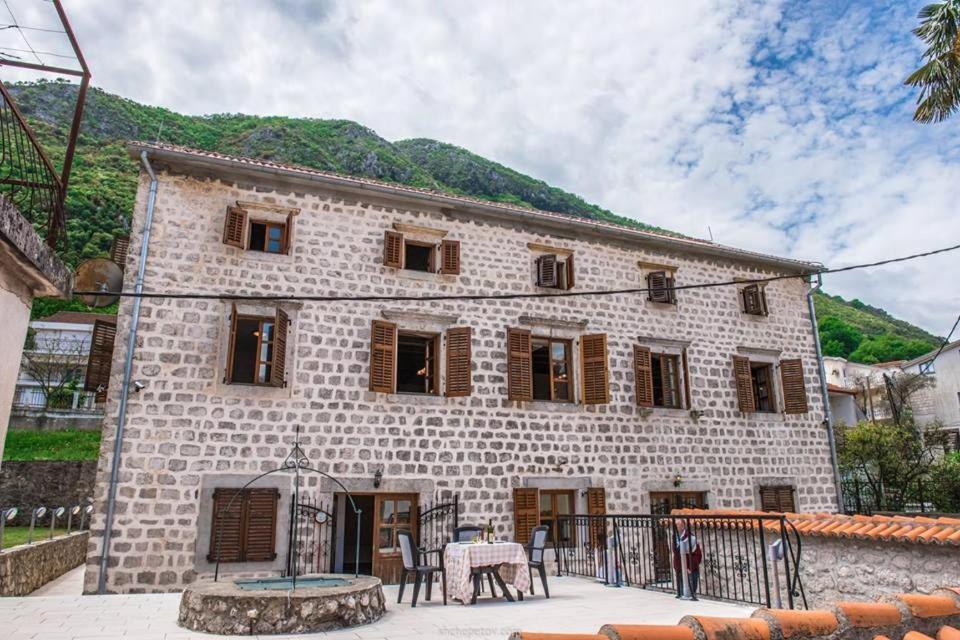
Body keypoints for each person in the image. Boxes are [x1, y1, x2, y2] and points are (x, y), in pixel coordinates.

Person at [672, 519, 702, 600]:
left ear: (683, 526)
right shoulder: (675, 536)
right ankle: (681, 594)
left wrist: (690, 566)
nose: (676, 526)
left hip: (690, 564)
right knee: (681, 581)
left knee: (692, 581)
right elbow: (675, 550)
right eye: (676, 524)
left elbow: (695, 553)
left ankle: (692, 595)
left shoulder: (690, 537)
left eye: (678, 524)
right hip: (679, 564)